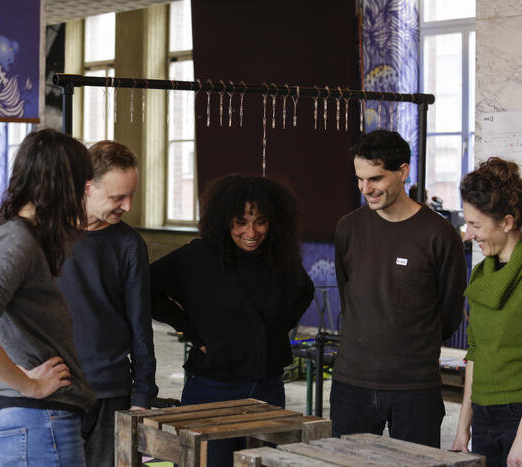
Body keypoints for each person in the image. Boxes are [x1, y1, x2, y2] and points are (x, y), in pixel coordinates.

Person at [0, 129, 96, 466]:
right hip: (40, 424)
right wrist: (28, 384)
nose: (83, 197)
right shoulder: (18, 241)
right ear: (63, 185)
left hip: (36, 427)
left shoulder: (17, 236)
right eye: (83, 187)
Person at [150, 174, 314, 466]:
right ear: (224, 221)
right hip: (212, 387)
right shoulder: (198, 257)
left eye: (260, 221)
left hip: (268, 387)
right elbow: (146, 288)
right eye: (240, 222)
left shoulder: (281, 258)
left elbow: (304, 292)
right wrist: (191, 330)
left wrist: (271, 334)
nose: (251, 231)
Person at [330, 129, 466, 447]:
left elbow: (449, 313)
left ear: (402, 171)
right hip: (352, 383)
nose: (366, 189)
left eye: (375, 178)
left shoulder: (440, 235)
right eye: (360, 179)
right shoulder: (348, 228)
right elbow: (348, 295)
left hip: (416, 387)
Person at [451, 157, 522, 467]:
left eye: (475, 225)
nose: (468, 234)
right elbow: (475, 353)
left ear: (506, 222)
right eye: (467, 223)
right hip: (484, 416)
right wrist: (464, 426)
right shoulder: (480, 275)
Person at [57, 140, 158, 466]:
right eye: (117, 198)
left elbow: (140, 325)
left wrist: (142, 395)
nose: (127, 206)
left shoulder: (129, 244)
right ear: (87, 187)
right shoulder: (41, 235)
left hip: (111, 394)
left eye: (132, 195)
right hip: (53, 394)